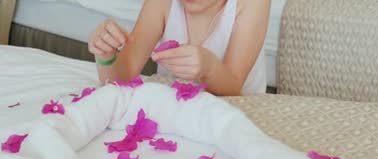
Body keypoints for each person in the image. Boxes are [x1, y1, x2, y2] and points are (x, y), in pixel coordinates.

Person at [88, 0, 271, 96]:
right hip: (181, 112)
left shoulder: (252, 2)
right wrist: (106, 55)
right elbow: (122, 77)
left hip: (240, 111)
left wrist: (210, 68)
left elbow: (234, 87)